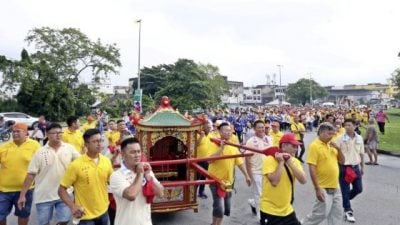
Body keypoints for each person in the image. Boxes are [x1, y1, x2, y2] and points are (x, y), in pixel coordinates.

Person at [17, 123, 80, 225]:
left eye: (60, 132)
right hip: (44, 196)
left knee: (64, 220)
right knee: (44, 222)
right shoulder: (40, 152)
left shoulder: (69, 148)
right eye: (54, 133)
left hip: (65, 194)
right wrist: (22, 195)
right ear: (47, 134)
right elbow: (31, 174)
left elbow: (81, 162)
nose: (58, 135)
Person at [58, 129, 113, 225]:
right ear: (86, 144)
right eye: (95, 141)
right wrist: (72, 206)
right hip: (85, 216)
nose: (99, 144)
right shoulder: (76, 165)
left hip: (104, 211)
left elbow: (111, 182)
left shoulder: (106, 161)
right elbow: (61, 190)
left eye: (100, 140)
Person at [110, 137, 164, 225]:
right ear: (123, 154)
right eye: (133, 152)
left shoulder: (146, 171)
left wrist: (148, 176)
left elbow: (161, 193)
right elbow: (131, 195)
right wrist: (140, 174)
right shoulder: (116, 176)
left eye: (139, 151)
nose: (137, 155)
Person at [207, 122, 251, 225]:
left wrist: (247, 176)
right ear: (220, 132)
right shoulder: (213, 143)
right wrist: (221, 149)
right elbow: (209, 160)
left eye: (229, 130)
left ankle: (216, 223)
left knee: (226, 207)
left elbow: (240, 163)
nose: (228, 132)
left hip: (228, 182)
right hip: (215, 180)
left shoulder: (233, 146)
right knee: (219, 207)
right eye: (226, 130)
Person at [301, 123, 345, 225]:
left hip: (335, 185)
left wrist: (338, 149)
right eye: (329, 134)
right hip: (323, 186)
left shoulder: (332, 144)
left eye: (333, 134)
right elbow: (312, 167)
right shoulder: (314, 146)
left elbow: (342, 161)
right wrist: (317, 188)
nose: (332, 136)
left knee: (337, 214)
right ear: (321, 132)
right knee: (319, 214)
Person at [259, 133, 307, 225]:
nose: (296, 149)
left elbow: (303, 180)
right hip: (270, 211)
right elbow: (274, 181)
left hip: (287, 210)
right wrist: (281, 162)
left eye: (297, 146)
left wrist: (289, 161)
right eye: (293, 146)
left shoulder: (295, 161)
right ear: (284, 146)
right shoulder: (270, 160)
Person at [0, 123, 40, 225]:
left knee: (23, 215)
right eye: (13, 131)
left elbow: (41, 164)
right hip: (4, 190)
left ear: (26, 132)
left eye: (18, 131)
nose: (15, 133)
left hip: (25, 190)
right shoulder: (4, 147)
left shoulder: (34, 145)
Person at [336, 119, 365, 222]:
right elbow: (335, 154)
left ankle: (346, 198)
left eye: (349, 125)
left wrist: (362, 166)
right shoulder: (340, 139)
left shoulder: (360, 138)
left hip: (355, 167)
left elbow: (361, 153)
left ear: (355, 126)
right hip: (344, 167)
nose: (347, 127)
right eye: (345, 125)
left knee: (358, 189)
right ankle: (348, 210)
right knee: (345, 190)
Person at [245, 120, 272, 217]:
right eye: (259, 127)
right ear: (254, 129)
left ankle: (253, 203)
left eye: (263, 127)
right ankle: (260, 217)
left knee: (267, 194)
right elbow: (247, 160)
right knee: (259, 195)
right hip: (256, 171)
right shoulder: (250, 142)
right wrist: (248, 175)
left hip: (268, 171)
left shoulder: (269, 139)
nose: (261, 129)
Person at [196, 122, 212, 199]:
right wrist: (201, 136)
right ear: (203, 128)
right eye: (208, 127)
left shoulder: (210, 135)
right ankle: (192, 194)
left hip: (207, 159)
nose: (209, 129)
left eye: (210, 127)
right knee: (197, 177)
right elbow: (196, 144)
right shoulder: (197, 135)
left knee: (203, 177)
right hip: (198, 160)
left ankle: (201, 192)